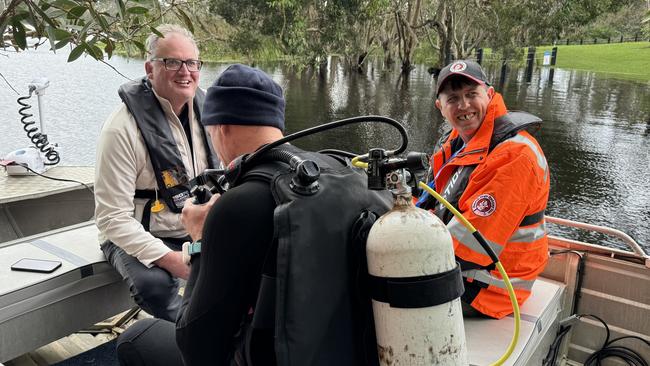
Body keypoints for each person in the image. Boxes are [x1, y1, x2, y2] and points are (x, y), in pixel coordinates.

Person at [114, 64, 392, 366]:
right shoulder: (347, 174)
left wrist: (200, 242)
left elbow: (196, 348)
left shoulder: (238, 205)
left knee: (136, 338)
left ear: (222, 127)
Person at [94, 24, 218, 322]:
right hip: (138, 232)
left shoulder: (211, 114)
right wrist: (172, 260)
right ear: (150, 69)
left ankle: (229, 332)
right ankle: (188, 339)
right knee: (155, 286)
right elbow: (112, 218)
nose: (184, 72)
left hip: (194, 225)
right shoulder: (121, 129)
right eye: (172, 62)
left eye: (191, 63)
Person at [417, 59, 550, 319]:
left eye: (471, 94)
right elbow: (429, 199)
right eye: (453, 98)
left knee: (377, 293)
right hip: (460, 271)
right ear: (440, 107)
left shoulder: (515, 155)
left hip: (487, 290)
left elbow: (468, 250)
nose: (464, 105)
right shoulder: (456, 142)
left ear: (489, 95)